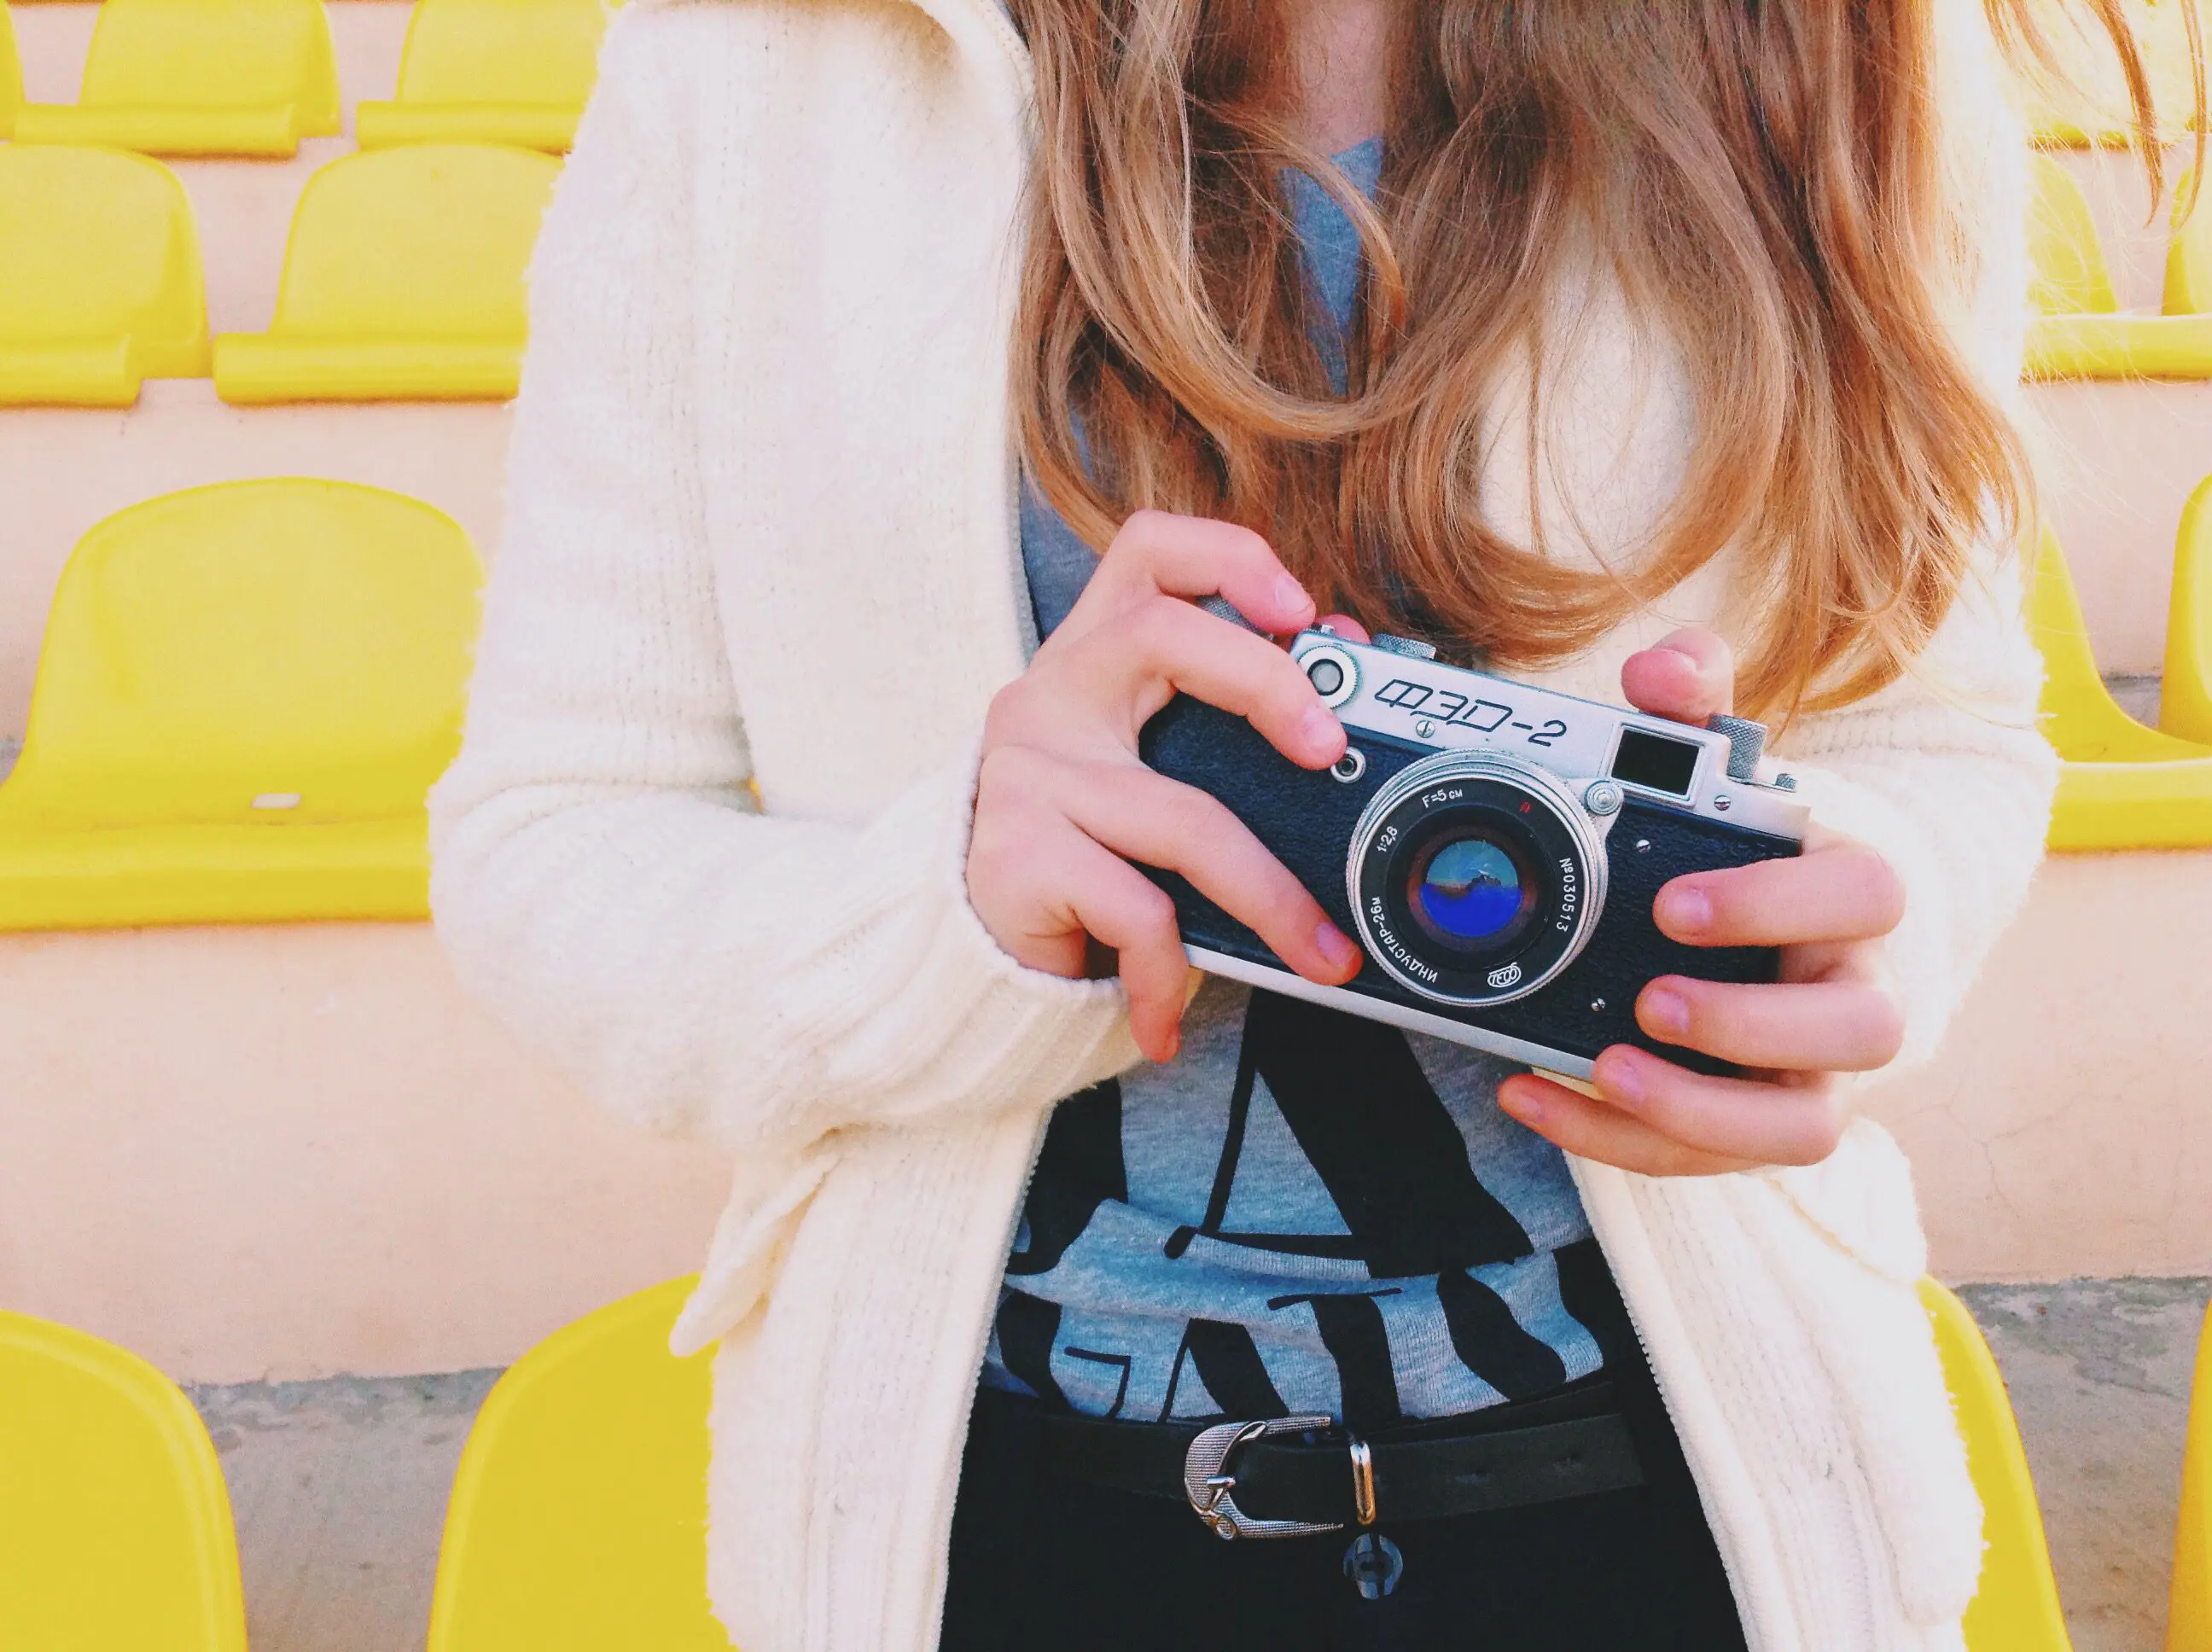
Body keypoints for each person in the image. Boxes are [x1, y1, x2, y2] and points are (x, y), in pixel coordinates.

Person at [426, 1, 2181, 1647]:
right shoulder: (755, 57)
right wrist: (949, 908)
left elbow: (1933, 732)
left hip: (1705, 1498)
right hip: (984, 1517)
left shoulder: (1849, 35)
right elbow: (553, 833)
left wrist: (1832, 937)